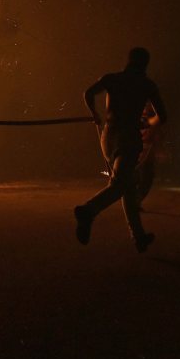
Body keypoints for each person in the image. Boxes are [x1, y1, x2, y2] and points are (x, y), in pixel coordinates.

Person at [74, 47, 167, 253]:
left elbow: (88, 93)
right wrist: (148, 122)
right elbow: (162, 116)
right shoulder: (147, 84)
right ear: (145, 64)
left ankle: (139, 236)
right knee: (120, 184)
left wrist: (95, 114)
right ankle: (88, 211)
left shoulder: (112, 79)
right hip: (128, 138)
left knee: (126, 184)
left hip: (108, 136)